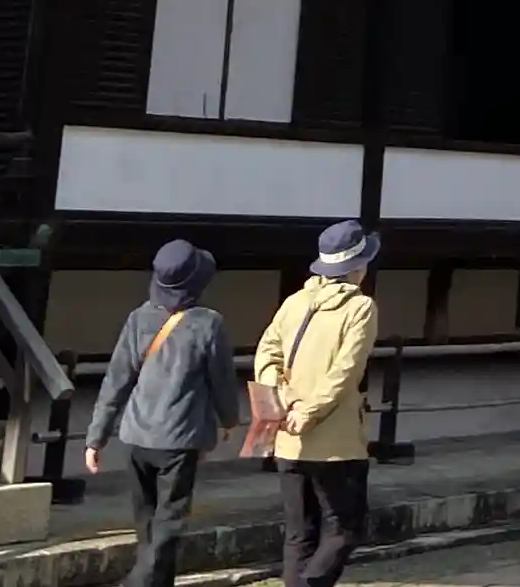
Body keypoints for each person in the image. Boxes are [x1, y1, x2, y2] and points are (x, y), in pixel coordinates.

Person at [84, 239, 240, 587]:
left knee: (146, 521)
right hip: (180, 439)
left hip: (137, 435)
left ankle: (156, 581)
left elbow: (116, 379)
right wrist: (230, 420)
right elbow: (222, 380)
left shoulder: (139, 318)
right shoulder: (209, 324)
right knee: (170, 521)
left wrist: (96, 437)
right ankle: (139, 582)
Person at [254, 221, 380, 587]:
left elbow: (266, 354)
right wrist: (309, 411)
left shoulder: (294, 302)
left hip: (287, 436)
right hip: (335, 442)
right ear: (358, 266)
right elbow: (346, 370)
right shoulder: (360, 307)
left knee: (300, 534)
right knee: (347, 526)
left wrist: (285, 400)